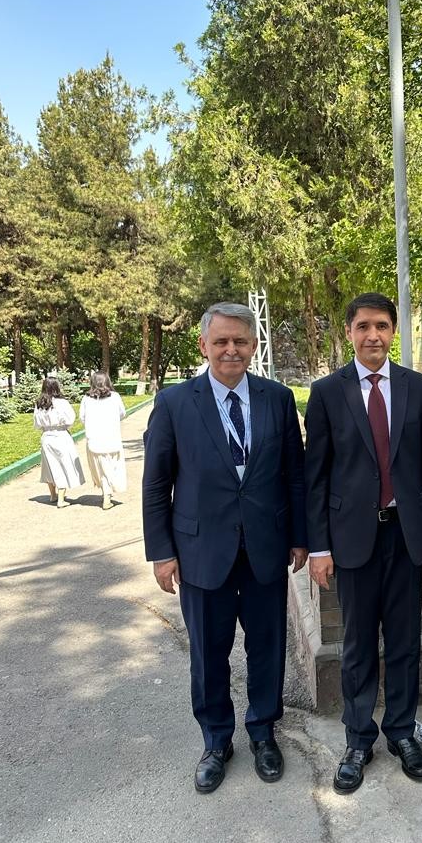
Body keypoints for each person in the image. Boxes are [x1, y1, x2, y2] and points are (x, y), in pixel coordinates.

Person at [142, 303, 307, 794]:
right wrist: (162, 552)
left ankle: (263, 733)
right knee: (208, 653)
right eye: (221, 341)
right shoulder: (174, 403)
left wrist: (300, 536)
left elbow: (294, 475)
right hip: (200, 553)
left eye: (240, 341)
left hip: (265, 548)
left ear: (254, 345)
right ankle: (216, 741)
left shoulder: (278, 399)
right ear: (204, 346)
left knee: (267, 648)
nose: (231, 349)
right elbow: (157, 484)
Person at [304, 292, 422, 795]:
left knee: (405, 643)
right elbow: (316, 477)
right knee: (358, 646)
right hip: (352, 540)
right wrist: (318, 547)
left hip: (407, 538)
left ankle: (402, 733)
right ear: (349, 332)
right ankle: (358, 740)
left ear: (393, 331)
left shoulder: (417, 387)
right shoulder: (327, 392)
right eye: (363, 326)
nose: (373, 335)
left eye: (382, 326)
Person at [33, 377, 85, 508]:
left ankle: (53, 495)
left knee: (49, 466)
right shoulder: (62, 403)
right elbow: (70, 419)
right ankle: (61, 499)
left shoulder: (39, 403)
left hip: (46, 436)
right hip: (61, 435)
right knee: (63, 465)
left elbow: (37, 423)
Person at [80, 372, 127, 510]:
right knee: (110, 466)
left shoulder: (86, 399)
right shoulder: (115, 396)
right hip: (112, 438)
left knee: (100, 468)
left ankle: (106, 493)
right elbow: (122, 413)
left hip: (94, 439)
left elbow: (82, 418)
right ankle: (107, 495)